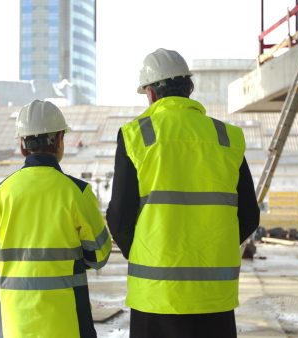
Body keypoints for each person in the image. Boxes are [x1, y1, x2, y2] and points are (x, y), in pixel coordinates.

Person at [106, 48, 260, 338]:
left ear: (151, 93)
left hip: (156, 295)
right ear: (189, 88)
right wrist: (215, 248)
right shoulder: (225, 136)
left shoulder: (136, 135)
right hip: (215, 296)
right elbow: (249, 215)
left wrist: (141, 252)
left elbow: (120, 216)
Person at [0, 99, 111, 338]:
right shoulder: (77, 192)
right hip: (67, 322)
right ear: (60, 140)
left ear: (22, 145)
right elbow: (99, 255)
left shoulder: (1, 193)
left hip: (15, 323)